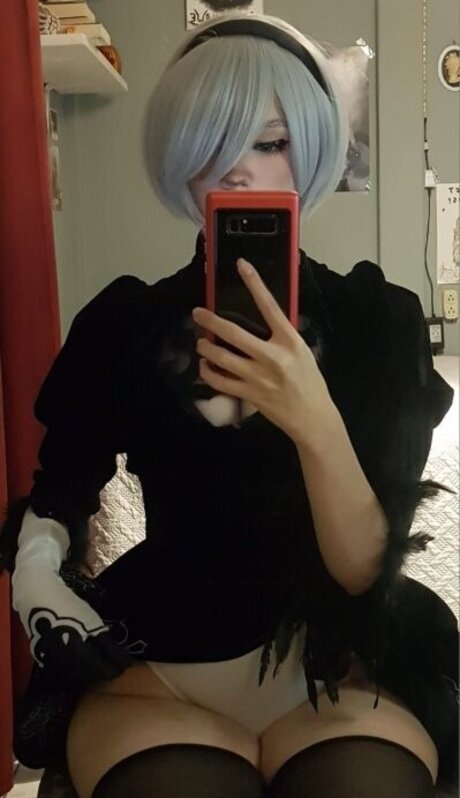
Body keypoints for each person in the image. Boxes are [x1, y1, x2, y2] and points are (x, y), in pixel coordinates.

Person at [1, 13, 458, 798]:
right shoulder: (127, 325)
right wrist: (36, 577)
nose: (238, 172)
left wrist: (314, 419)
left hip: (332, 676)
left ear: (311, 148)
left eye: (269, 142)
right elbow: (62, 488)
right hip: (159, 677)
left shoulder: (375, 323)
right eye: (210, 144)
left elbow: (360, 571)